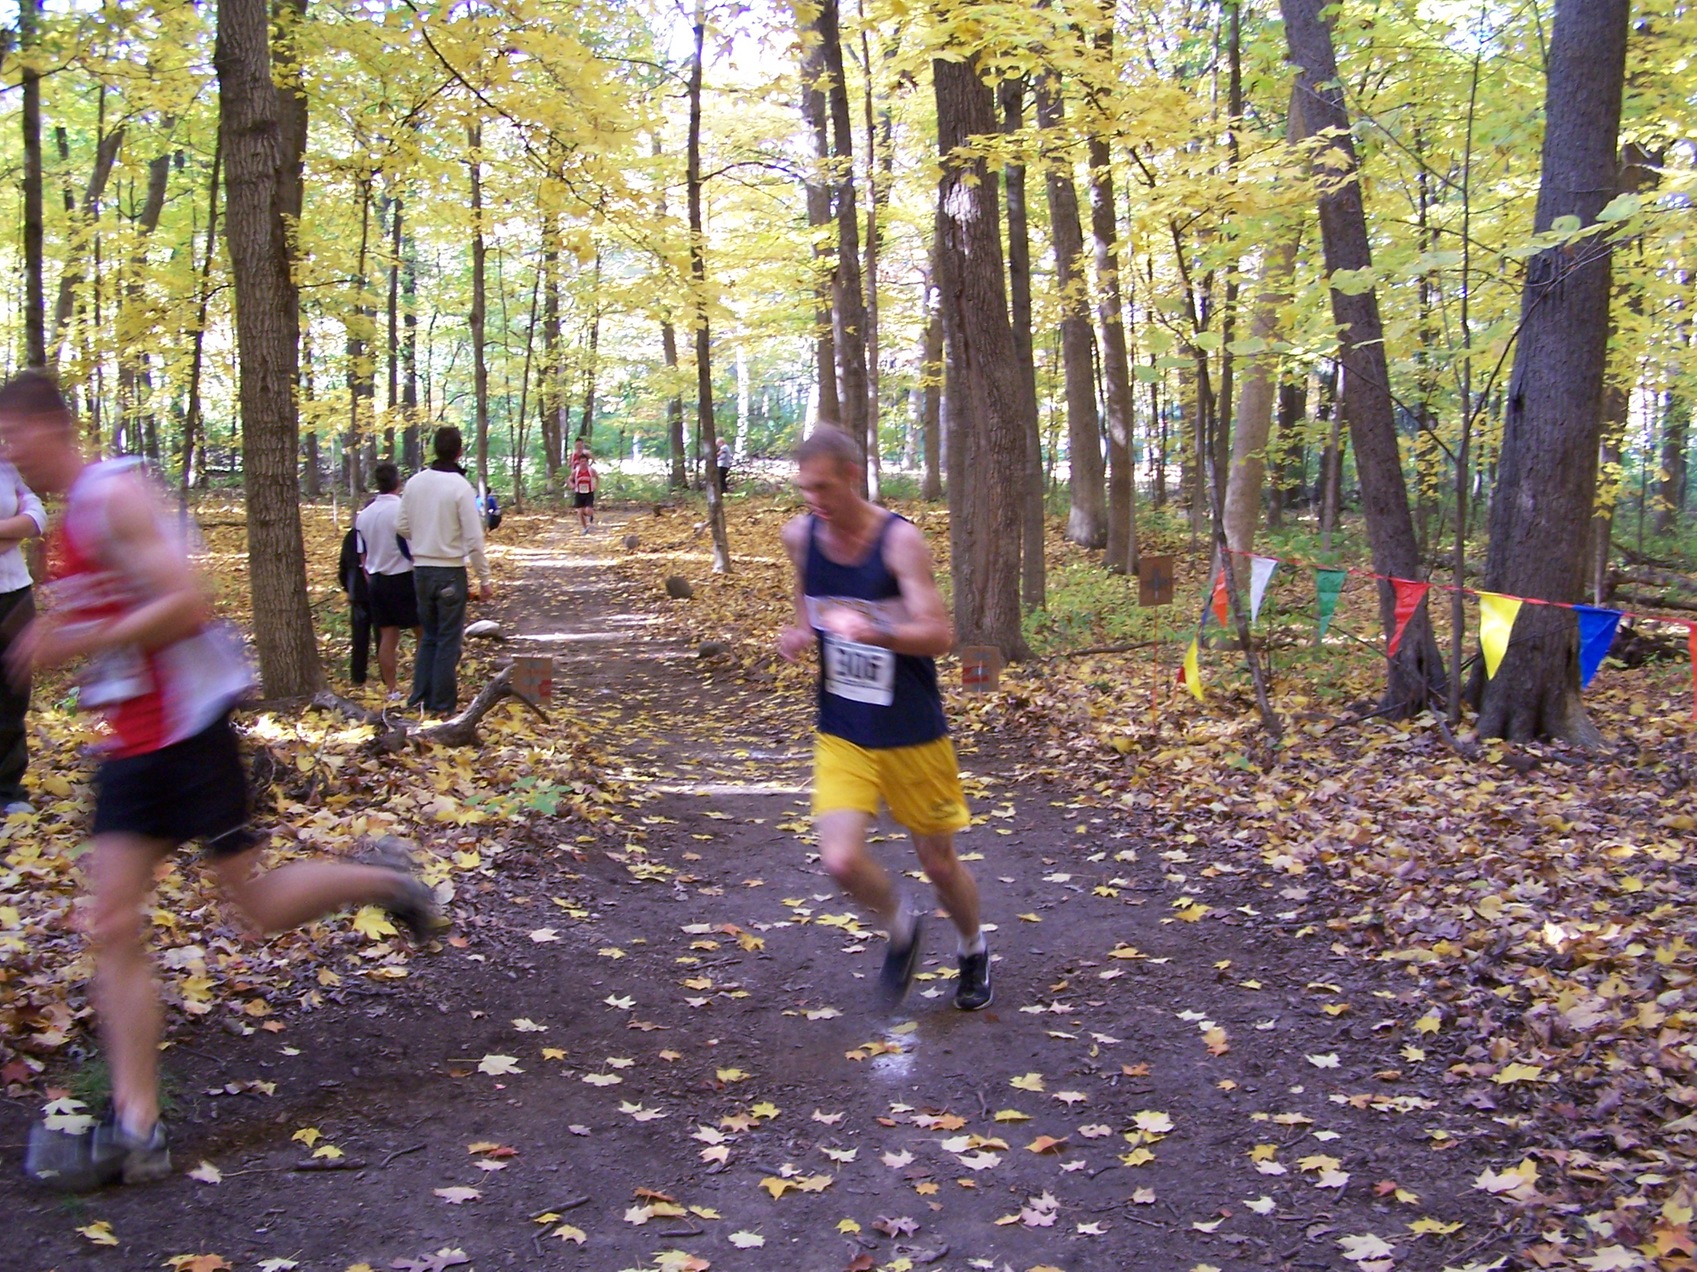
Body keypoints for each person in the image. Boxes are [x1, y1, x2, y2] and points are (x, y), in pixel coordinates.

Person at [0, 369, 444, 1191]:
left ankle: (384, 879)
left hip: (184, 733)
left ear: (47, 428)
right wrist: (76, 633)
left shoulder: (113, 497)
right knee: (112, 921)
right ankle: (138, 1126)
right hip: (132, 740)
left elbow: (186, 601)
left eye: (9, 436)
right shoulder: (70, 521)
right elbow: (121, 612)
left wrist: (66, 642)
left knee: (254, 909)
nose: (5, 452)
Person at [776, 425, 991, 1012]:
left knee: (939, 862)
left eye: (822, 486)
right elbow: (806, 596)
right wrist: (800, 630)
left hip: (912, 731)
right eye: (804, 489)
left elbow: (940, 635)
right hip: (843, 728)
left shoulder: (899, 542)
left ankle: (972, 948)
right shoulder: (800, 536)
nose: (812, 499)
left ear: (852, 475)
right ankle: (902, 923)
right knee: (840, 860)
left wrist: (870, 629)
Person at [397, 427, 492, 714]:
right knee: (449, 639)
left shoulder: (415, 483)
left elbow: (401, 526)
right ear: (459, 452)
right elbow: (475, 540)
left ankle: (419, 698)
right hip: (450, 570)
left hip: (421, 570)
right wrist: (484, 579)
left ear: (434, 449)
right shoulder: (460, 487)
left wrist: (424, 537)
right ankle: (441, 704)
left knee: (429, 636)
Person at [0, 458, 45, 814]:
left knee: (12, 694)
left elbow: (36, 516)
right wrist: (10, 532)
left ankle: (7, 791)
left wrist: (16, 529)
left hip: (14, 593)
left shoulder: (6, 468)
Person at [354, 462, 419, 701]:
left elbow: (362, 553)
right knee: (423, 633)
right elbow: (412, 546)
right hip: (404, 576)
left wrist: (369, 577)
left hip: (377, 580)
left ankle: (392, 689)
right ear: (398, 483)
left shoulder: (365, 515)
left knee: (387, 636)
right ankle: (420, 685)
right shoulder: (403, 510)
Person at [336, 519, 371, 687]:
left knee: (359, 638)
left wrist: (348, 587)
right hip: (376, 588)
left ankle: (357, 676)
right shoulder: (379, 532)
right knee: (383, 635)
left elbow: (343, 565)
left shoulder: (352, 535)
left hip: (357, 591)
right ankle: (387, 678)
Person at [569, 438, 597, 533]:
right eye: (577, 445)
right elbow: (570, 464)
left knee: (586, 510)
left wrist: (588, 467)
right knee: (579, 511)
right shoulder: (573, 454)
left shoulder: (586, 453)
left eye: (580, 445)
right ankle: (585, 528)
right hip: (577, 477)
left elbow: (593, 460)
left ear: (582, 444)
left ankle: (589, 512)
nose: (579, 446)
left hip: (586, 480)